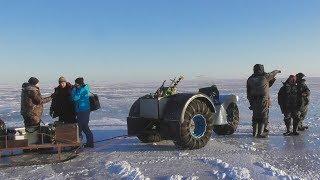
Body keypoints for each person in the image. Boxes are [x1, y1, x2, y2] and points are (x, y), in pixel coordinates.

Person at [247, 64, 281, 138]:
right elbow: (273, 73)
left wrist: (250, 101)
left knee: (255, 116)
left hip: (253, 100)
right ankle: (260, 133)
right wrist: (277, 71)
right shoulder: (265, 76)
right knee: (263, 116)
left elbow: (248, 91)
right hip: (263, 100)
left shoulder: (250, 79)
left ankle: (254, 133)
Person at [20, 77, 52, 144]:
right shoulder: (32, 91)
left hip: (27, 113)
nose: (38, 84)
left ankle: (29, 143)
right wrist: (51, 97)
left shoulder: (26, 89)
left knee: (29, 128)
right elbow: (39, 101)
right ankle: (32, 144)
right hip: (32, 113)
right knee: (33, 128)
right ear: (34, 83)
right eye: (37, 83)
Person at [71, 77, 94, 148]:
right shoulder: (84, 88)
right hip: (83, 110)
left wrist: (74, 89)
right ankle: (89, 142)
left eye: (76, 83)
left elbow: (75, 98)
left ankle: (81, 143)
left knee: (82, 127)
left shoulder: (82, 89)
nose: (75, 84)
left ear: (79, 83)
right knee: (83, 127)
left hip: (83, 110)